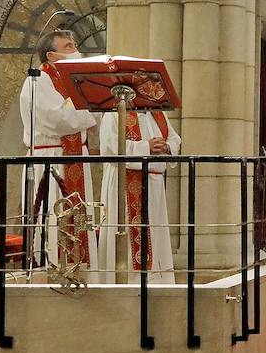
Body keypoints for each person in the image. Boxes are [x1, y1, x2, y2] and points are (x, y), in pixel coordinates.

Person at [20, 29, 99, 272]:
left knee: (79, 219)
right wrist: (87, 109)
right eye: (68, 46)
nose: (76, 50)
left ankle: (83, 271)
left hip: (75, 158)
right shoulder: (39, 80)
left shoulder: (72, 81)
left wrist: (85, 108)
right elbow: (59, 120)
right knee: (54, 222)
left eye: (75, 44)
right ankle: (53, 270)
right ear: (51, 55)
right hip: (52, 158)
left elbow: (83, 112)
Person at [97, 106, 182, 284]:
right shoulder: (115, 113)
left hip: (155, 186)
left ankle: (157, 283)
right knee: (128, 238)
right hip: (125, 184)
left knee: (156, 238)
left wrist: (166, 146)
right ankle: (128, 284)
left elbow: (174, 139)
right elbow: (109, 146)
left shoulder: (158, 113)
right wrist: (146, 147)